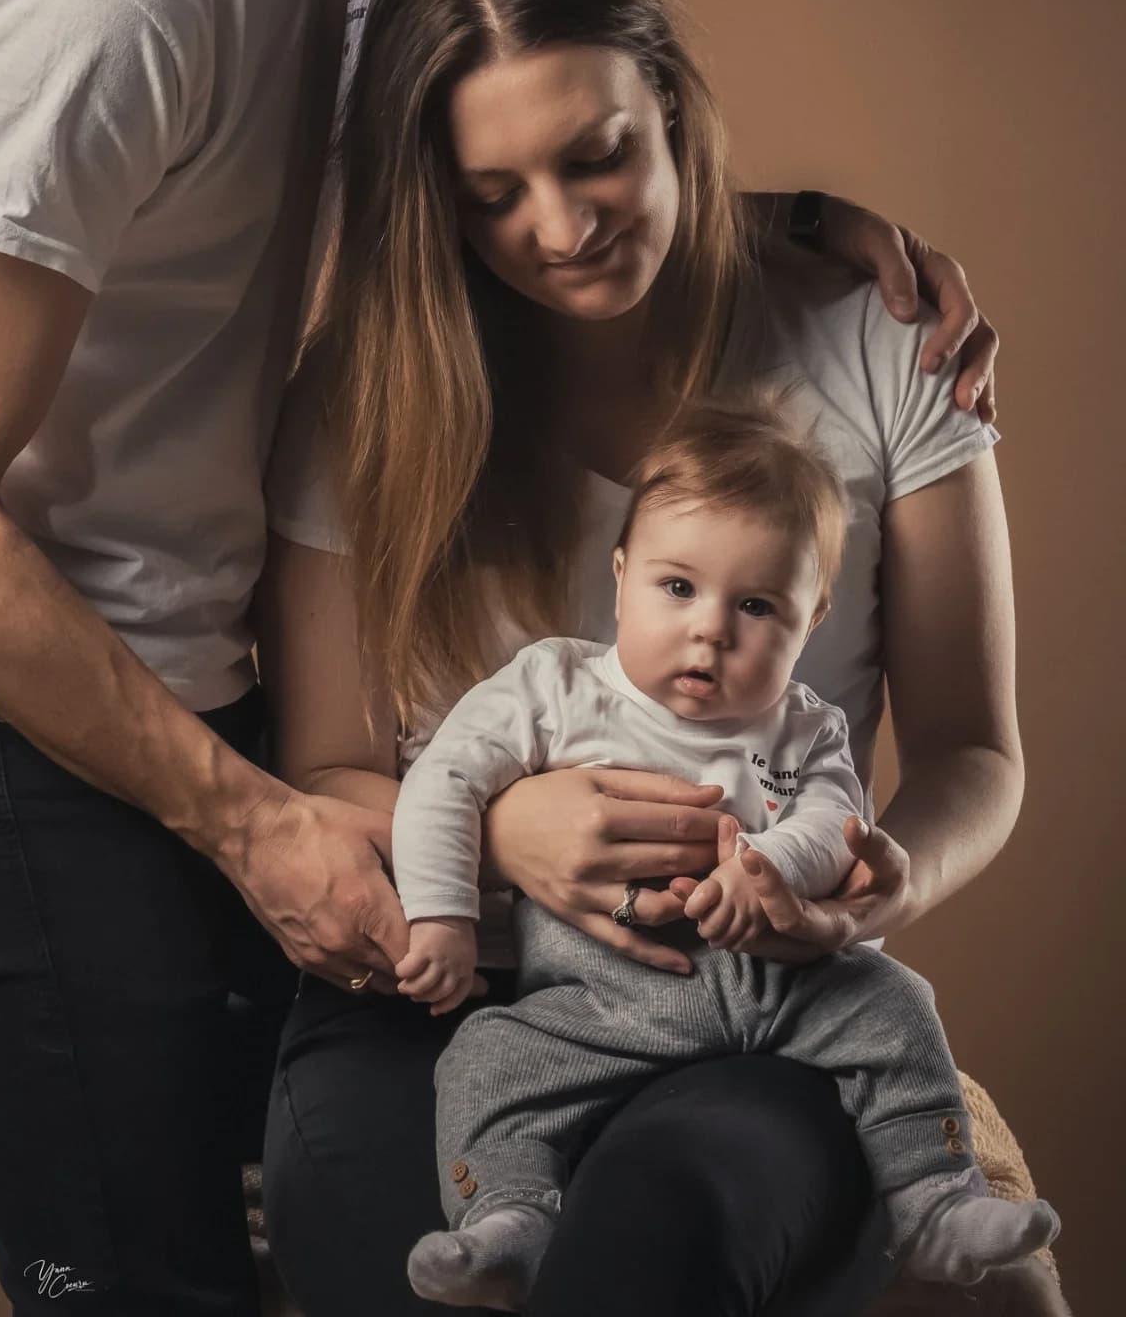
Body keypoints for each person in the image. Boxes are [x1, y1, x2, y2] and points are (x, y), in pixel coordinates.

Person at [0, 0, 1002, 1310]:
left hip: (233, 664)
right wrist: (262, 824)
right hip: (44, 717)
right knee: (156, 1270)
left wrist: (769, 230)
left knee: (253, 1151)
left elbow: (490, 166)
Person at [258, 0, 1031, 1316]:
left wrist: (873, 888)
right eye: (490, 193)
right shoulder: (363, 396)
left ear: (665, 96)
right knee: (379, 1247)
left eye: (597, 155)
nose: (556, 229)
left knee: (653, 1241)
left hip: (750, 999)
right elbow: (321, 768)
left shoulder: (874, 337)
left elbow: (974, 752)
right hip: (444, 990)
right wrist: (492, 831)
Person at [389, 405, 1058, 1309]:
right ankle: (507, 1219)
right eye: (677, 588)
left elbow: (833, 819)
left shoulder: (802, 726)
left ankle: (935, 1200)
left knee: (897, 1006)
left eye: (754, 606)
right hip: (599, 997)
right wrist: (442, 918)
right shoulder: (554, 686)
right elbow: (443, 783)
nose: (710, 631)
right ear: (620, 578)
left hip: (780, 989)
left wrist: (769, 866)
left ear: (810, 615)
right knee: (485, 1059)